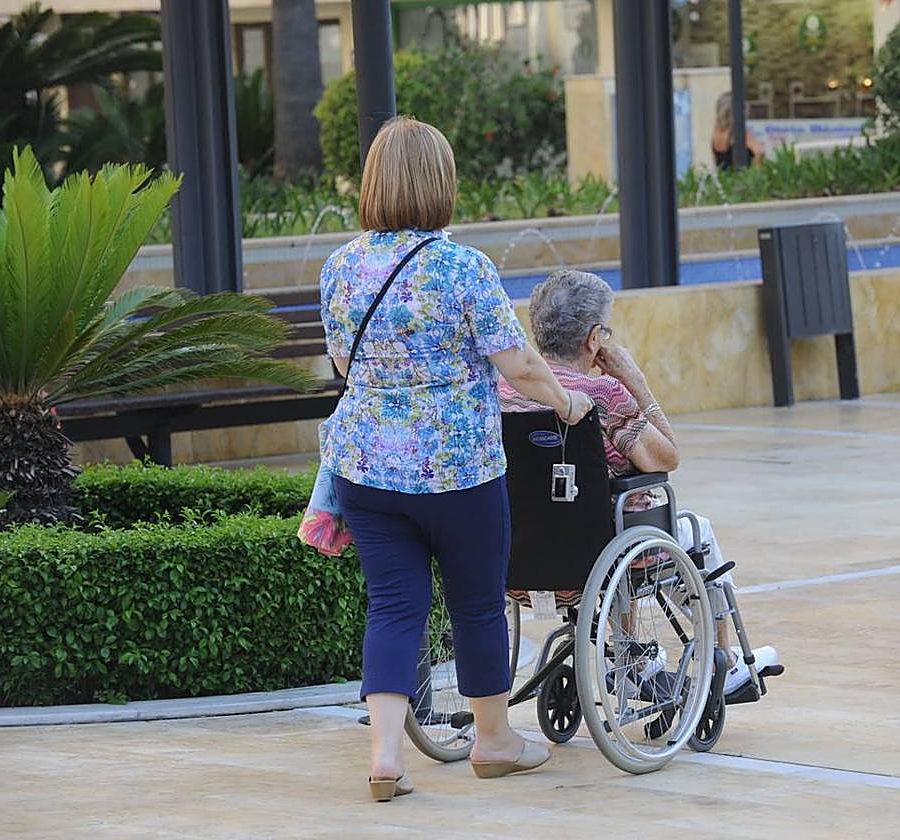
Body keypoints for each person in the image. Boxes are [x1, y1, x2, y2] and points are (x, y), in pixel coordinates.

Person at [320, 117, 594, 802]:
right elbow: (518, 363)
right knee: (476, 603)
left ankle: (386, 756)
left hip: (366, 471)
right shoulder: (464, 267)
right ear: (441, 183)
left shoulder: (340, 268)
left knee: (393, 607)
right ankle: (493, 740)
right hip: (459, 472)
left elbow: (343, 366)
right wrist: (566, 402)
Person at [498, 269, 778, 699]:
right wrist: (637, 382)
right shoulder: (603, 393)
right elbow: (666, 458)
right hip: (599, 551)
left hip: (517, 555)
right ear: (594, 339)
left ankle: (635, 658)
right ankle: (726, 659)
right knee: (693, 531)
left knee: (607, 520)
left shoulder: (503, 390)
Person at [712, 91, 764, 170]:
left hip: (725, 176)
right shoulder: (739, 131)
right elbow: (760, 152)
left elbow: (717, 161)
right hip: (744, 175)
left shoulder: (716, 131)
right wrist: (754, 172)